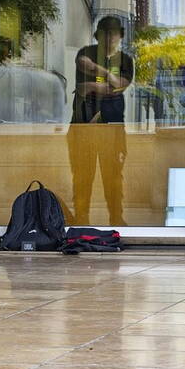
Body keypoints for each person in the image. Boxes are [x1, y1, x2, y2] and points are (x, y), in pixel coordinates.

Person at [67, 16, 134, 226]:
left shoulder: (125, 60)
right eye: (105, 32)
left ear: (120, 36)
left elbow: (120, 84)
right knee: (82, 176)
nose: (109, 37)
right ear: (98, 34)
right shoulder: (85, 53)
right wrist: (105, 84)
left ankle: (116, 218)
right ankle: (81, 219)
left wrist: (97, 74)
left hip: (112, 128)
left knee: (113, 176)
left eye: (113, 33)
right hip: (83, 127)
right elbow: (88, 86)